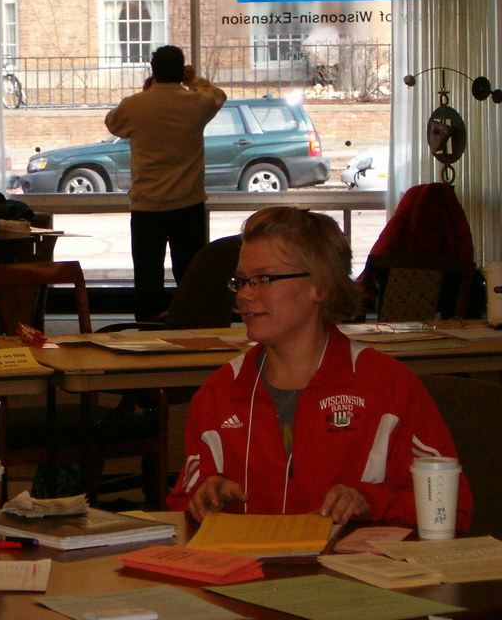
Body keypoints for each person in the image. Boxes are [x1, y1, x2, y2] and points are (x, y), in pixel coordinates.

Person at [166, 206, 474, 528]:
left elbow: (450, 508)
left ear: (321, 286)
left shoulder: (388, 388)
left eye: (263, 279)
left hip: (354, 560)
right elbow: (181, 509)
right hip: (246, 560)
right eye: (240, 281)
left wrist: (370, 502)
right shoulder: (219, 394)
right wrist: (203, 498)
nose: (244, 295)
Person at [105, 45, 226, 322]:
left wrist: (148, 91)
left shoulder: (135, 104)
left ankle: (149, 324)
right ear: (182, 70)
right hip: (188, 204)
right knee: (190, 272)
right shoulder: (196, 103)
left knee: (147, 274)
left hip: (147, 205)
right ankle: (190, 324)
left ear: (153, 70)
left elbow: (113, 123)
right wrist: (193, 80)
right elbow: (218, 95)